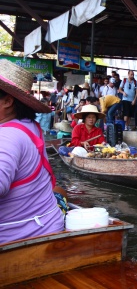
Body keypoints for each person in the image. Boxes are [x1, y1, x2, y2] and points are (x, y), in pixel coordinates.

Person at [0, 59, 64, 243]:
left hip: (22, 241)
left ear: (8, 101)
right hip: (48, 225)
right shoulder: (29, 125)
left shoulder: (7, 136)